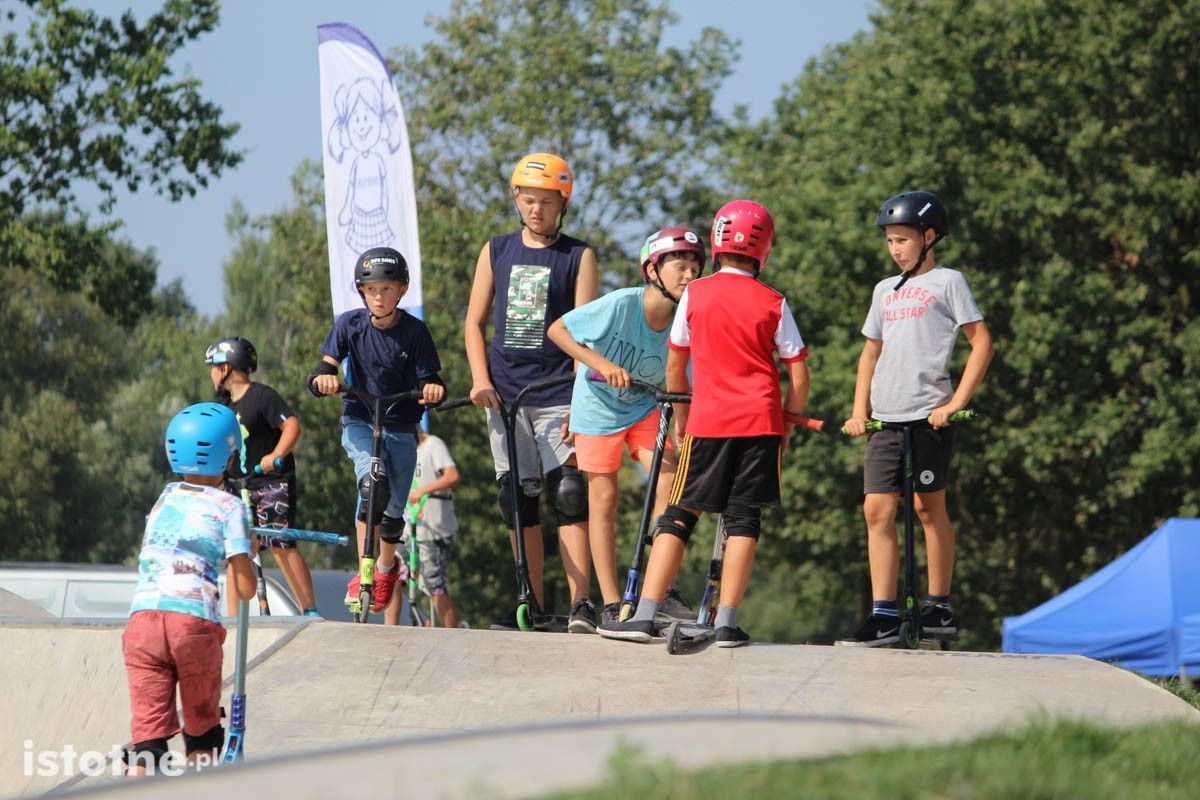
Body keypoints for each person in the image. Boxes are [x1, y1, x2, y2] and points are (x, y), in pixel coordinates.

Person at [599, 200, 810, 648]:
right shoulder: (775, 301)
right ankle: (727, 623)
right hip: (761, 424)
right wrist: (787, 424)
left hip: (708, 422)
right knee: (743, 519)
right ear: (764, 250)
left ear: (716, 244)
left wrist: (681, 421)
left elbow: (677, 369)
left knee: (679, 512)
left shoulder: (696, 293)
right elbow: (798, 372)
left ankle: (644, 615)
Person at [836, 190, 993, 647]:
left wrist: (954, 402)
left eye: (902, 240)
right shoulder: (884, 290)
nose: (895, 249)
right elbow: (870, 354)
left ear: (928, 237)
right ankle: (883, 614)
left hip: (930, 418)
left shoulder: (948, 282)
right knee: (875, 511)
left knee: (928, 509)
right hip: (886, 420)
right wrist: (858, 411)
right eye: (889, 241)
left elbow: (981, 344)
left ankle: (938, 606)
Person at [463, 152, 599, 632]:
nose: (535, 209)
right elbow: (474, 324)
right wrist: (481, 379)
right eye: (528, 200)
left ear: (562, 203)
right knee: (515, 500)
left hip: (559, 392)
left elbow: (584, 336)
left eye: (545, 201)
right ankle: (532, 602)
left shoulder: (578, 256)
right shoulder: (496, 250)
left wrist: (582, 402)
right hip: (504, 397)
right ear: (516, 199)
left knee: (569, 493)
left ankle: (583, 603)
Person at [546, 227, 704, 631]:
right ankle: (613, 602)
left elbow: (682, 377)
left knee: (671, 482)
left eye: (694, 268)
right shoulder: (621, 303)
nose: (688, 276)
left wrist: (686, 423)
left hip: (646, 408)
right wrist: (600, 364)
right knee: (604, 500)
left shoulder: (686, 320)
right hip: (598, 407)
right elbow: (558, 331)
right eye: (679, 267)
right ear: (652, 270)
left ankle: (660, 588)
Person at [307, 246, 445, 614]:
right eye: (372, 290)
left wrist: (433, 389)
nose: (379, 297)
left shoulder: (415, 332)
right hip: (360, 417)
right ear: (361, 292)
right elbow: (325, 365)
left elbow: (431, 379)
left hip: (401, 424)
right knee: (372, 482)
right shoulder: (350, 325)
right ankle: (363, 572)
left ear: (401, 290)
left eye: (387, 289)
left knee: (394, 511)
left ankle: (385, 567)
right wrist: (324, 379)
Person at [122, 403, 256, 776]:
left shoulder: (164, 498)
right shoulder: (230, 507)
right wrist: (248, 549)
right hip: (191, 622)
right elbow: (245, 589)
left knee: (147, 744)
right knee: (201, 735)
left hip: (142, 623)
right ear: (230, 460)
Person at [206, 336, 318, 617]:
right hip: (236, 485)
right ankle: (233, 619)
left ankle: (309, 611)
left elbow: (291, 426)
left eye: (214, 366)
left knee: (279, 543)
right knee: (237, 551)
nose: (211, 373)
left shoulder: (262, 396)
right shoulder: (221, 404)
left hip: (270, 482)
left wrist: (276, 455)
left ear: (227, 367)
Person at [384, 429, 464, 628]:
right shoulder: (401, 449)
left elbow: (452, 476)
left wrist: (422, 491)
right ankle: (390, 628)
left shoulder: (433, 445)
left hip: (434, 529)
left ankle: (450, 632)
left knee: (433, 582)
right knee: (392, 574)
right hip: (408, 528)